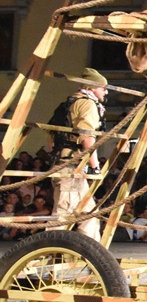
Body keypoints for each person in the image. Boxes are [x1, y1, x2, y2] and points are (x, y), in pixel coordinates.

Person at [51, 67, 108, 241]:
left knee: (88, 213)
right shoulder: (87, 104)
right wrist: (95, 166)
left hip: (68, 164)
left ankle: (93, 255)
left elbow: (52, 138)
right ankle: (49, 253)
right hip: (72, 167)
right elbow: (87, 137)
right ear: (92, 87)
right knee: (63, 216)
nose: (105, 92)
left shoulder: (69, 102)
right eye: (103, 88)